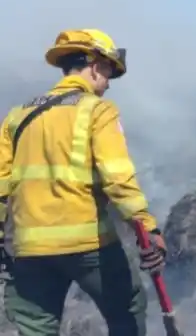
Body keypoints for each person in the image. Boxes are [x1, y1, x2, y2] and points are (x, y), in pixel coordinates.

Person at [0, 29, 166, 336]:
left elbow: (1, 187)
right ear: (95, 66)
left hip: (28, 248)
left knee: (35, 328)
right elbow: (118, 179)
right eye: (109, 72)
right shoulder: (98, 111)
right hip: (89, 245)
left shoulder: (17, 116)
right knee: (127, 309)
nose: (108, 83)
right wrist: (147, 227)